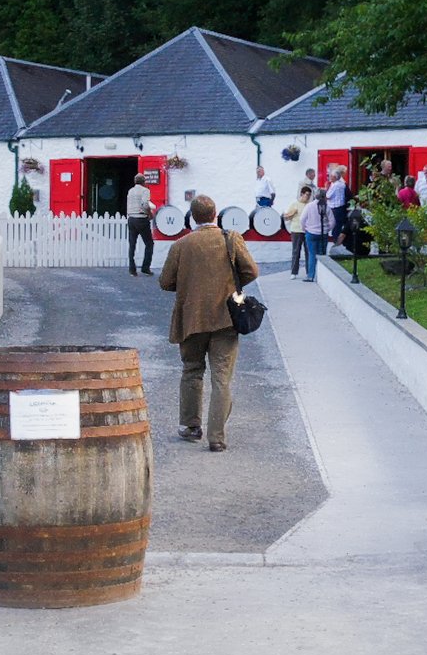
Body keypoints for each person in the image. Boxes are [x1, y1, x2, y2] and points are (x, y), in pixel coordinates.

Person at [158, 194, 259, 452]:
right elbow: (251, 271)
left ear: (192, 218)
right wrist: (231, 287)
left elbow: (165, 282)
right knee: (221, 378)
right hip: (226, 317)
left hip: (191, 318)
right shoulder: (230, 239)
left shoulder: (181, 245)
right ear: (215, 214)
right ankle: (217, 437)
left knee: (192, 370)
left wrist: (190, 285)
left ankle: (191, 426)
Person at [300, 186, 334, 281]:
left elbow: (302, 219)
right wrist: (327, 229)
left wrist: (304, 228)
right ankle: (321, 276)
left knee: (312, 254)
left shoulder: (309, 206)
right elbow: (332, 221)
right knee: (322, 254)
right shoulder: (326, 207)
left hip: (311, 232)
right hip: (323, 233)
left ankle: (311, 275)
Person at [125, 177, 156, 275]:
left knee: (132, 244)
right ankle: (145, 268)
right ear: (143, 182)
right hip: (141, 218)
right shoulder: (145, 190)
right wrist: (150, 214)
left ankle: (132, 269)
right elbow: (145, 204)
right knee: (149, 244)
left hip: (131, 218)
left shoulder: (130, 191)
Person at [283, 184, 312, 277]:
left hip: (307, 230)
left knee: (308, 252)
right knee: (296, 251)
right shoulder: (294, 204)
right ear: (302, 194)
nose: (308, 197)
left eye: (309, 195)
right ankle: (294, 272)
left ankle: (309, 272)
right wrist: (292, 213)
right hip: (296, 230)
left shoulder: (309, 205)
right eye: (307, 195)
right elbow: (286, 217)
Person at [325, 166, 349, 250]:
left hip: (335, 208)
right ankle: (338, 243)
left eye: (331, 176)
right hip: (341, 207)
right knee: (338, 226)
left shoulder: (335, 185)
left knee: (335, 227)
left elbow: (327, 196)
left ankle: (336, 244)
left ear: (335, 177)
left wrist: (326, 188)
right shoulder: (342, 184)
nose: (329, 177)